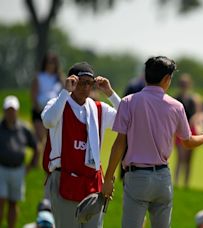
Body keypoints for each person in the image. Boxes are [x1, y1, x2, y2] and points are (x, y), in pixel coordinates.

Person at [101, 56, 203, 228]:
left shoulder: (128, 102)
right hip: (162, 178)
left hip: (136, 176)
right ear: (167, 79)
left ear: (146, 76)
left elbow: (119, 144)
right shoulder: (176, 106)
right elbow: (188, 142)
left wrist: (108, 178)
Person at [41, 62, 121, 228]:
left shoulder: (99, 109)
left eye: (90, 83)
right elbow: (48, 121)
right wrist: (65, 92)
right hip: (64, 180)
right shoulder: (58, 103)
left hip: (92, 183)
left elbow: (127, 118)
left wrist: (109, 92)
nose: (86, 87)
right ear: (72, 81)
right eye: (82, 82)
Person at [0, 95, 39, 228]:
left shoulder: (24, 129)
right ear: (4, 111)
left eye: (13, 110)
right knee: (1, 200)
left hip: (18, 169)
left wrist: (31, 165)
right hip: (2, 169)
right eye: (8, 110)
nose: (11, 113)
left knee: (13, 202)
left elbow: (35, 147)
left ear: (17, 111)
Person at [174, 73, 203, 188]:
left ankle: (186, 183)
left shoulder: (194, 98)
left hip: (192, 129)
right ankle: (176, 182)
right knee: (180, 157)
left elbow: (199, 113)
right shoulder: (176, 98)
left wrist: (195, 119)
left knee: (189, 159)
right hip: (179, 129)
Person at [31, 52, 64, 145]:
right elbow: (33, 94)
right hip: (39, 111)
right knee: (41, 140)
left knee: (52, 141)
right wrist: (38, 109)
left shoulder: (59, 78)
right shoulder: (39, 77)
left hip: (54, 112)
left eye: (53, 62)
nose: (51, 64)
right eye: (49, 62)